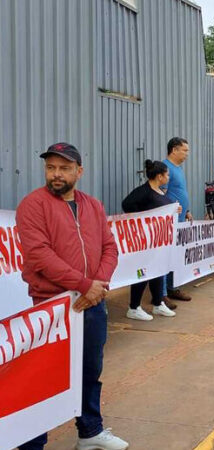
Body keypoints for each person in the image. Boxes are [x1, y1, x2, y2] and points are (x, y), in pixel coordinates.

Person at [16, 143, 128, 450]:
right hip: (52, 306)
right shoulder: (33, 205)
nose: (56, 174)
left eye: (64, 168)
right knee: (44, 379)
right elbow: (39, 255)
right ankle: (32, 445)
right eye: (51, 167)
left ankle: (89, 431)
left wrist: (98, 284)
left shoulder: (92, 205)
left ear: (79, 171)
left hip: (91, 304)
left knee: (90, 370)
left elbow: (109, 246)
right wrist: (83, 283)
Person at [121, 160, 179, 320]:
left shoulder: (160, 191)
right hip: (145, 241)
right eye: (167, 174)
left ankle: (158, 304)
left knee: (158, 271)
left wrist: (175, 209)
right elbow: (127, 204)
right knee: (143, 271)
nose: (168, 177)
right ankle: (133, 307)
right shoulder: (144, 191)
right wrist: (143, 220)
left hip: (158, 241)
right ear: (159, 176)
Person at [162, 137, 192, 303]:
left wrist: (186, 210)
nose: (187, 153)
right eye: (185, 150)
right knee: (167, 256)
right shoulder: (166, 168)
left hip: (180, 219)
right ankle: (163, 292)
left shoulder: (178, 169)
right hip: (169, 222)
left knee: (175, 255)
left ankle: (171, 287)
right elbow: (161, 195)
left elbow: (179, 191)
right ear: (174, 150)